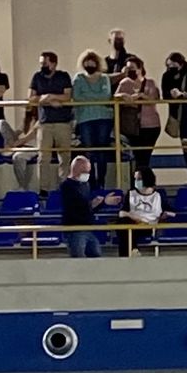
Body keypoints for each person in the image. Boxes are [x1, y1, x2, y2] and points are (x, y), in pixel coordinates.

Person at [30, 50, 76, 191]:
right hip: (45, 123)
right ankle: (43, 189)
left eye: (45, 63)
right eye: (41, 63)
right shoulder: (37, 77)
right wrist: (47, 100)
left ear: (54, 64)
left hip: (63, 122)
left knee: (65, 157)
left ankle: (64, 187)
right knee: (43, 158)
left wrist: (49, 97)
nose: (42, 66)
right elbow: (31, 98)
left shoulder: (63, 76)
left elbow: (67, 96)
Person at [72, 52, 115, 191]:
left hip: (104, 118)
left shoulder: (104, 78)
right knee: (88, 151)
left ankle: (101, 181)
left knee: (102, 151)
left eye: (92, 61)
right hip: (85, 119)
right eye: (87, 62)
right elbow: (77, 97)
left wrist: (88, 97)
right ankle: (91, 182)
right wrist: (96, 99)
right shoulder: (78, 78)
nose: (89, 64)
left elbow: (106, 96)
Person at [114, 56, 162, 181]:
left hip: (151, 126)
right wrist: (124, 96)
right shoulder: (124, 83)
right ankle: (137, 183)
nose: (130, 71)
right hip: (133, 127)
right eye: (128, 68)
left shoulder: (150, 83)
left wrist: (141, 96)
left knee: (145, 157)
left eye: (133, 68)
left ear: (140, 69)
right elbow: (115, 98)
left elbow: (155, 99)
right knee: (137, 157)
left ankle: (145, 182)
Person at [161, 52, 187, 181]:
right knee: (185, 142)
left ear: (181, 64)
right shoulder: (166, 76)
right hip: (176, 111)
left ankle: (185, 138)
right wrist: (172, 94)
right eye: (169, 65)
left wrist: (183, 95)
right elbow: (165, 95)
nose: (171, 67)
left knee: (186, 114)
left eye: (174, 65)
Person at [59, 153, 105, 258]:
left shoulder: (85, 185)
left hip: (88, 228)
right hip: (75, 230)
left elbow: (88, 208)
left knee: (96, 254)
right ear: (76, 169)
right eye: (85, 171)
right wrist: (91, 204)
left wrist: (102, 203)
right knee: (78, 258)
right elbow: (75, 207)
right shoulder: (66, 186)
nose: (87, 174)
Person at [119, 167, 164, 258]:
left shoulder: (158, 195)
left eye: (139, 179)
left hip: (148, 225)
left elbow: (163, 212)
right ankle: (132, 251)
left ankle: (131, 251)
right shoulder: (131, 194)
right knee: (123, 225)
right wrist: (132, 216)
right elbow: (122, 212)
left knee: (126, 232)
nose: (136, 181)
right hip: (132, 223)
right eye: (135, 179)